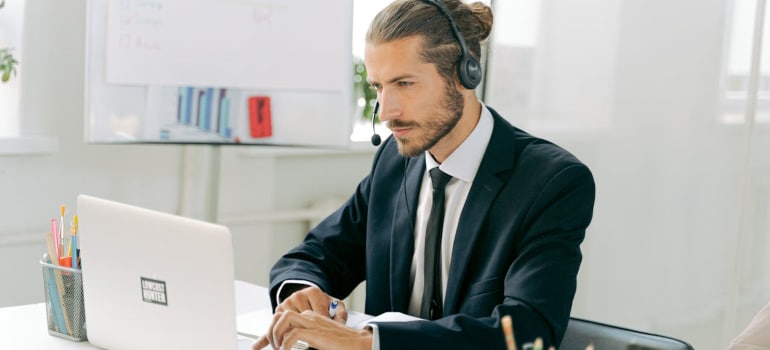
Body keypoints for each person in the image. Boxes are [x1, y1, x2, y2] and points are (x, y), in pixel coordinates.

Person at [254, 0, 596, 349]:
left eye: (404, 83)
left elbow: (526, 333)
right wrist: (302, 291)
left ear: (465, 74)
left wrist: (368, 343)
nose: (386, 112)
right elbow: (313, 256)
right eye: (379, 87)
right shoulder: (395, 160)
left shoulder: (552, 182)